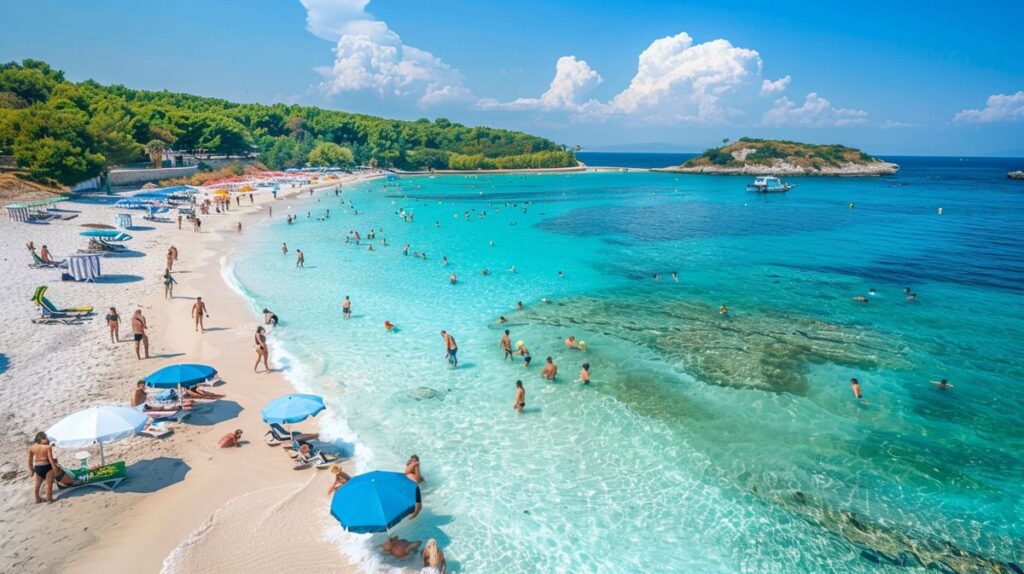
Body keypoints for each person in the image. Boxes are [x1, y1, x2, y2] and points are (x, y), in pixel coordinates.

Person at [28, 432, 75, 503]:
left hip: (37, 467)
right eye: (46, 438)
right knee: (48, 484)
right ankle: (49, 499)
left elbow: (30, 460)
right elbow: (50, 459)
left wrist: (31, 470)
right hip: (47, 467)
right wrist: (55, 468)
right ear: (42, 438)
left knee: (37, 485)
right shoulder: (47, 447)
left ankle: (37, 499)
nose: (47, 440)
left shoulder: (31, 448)